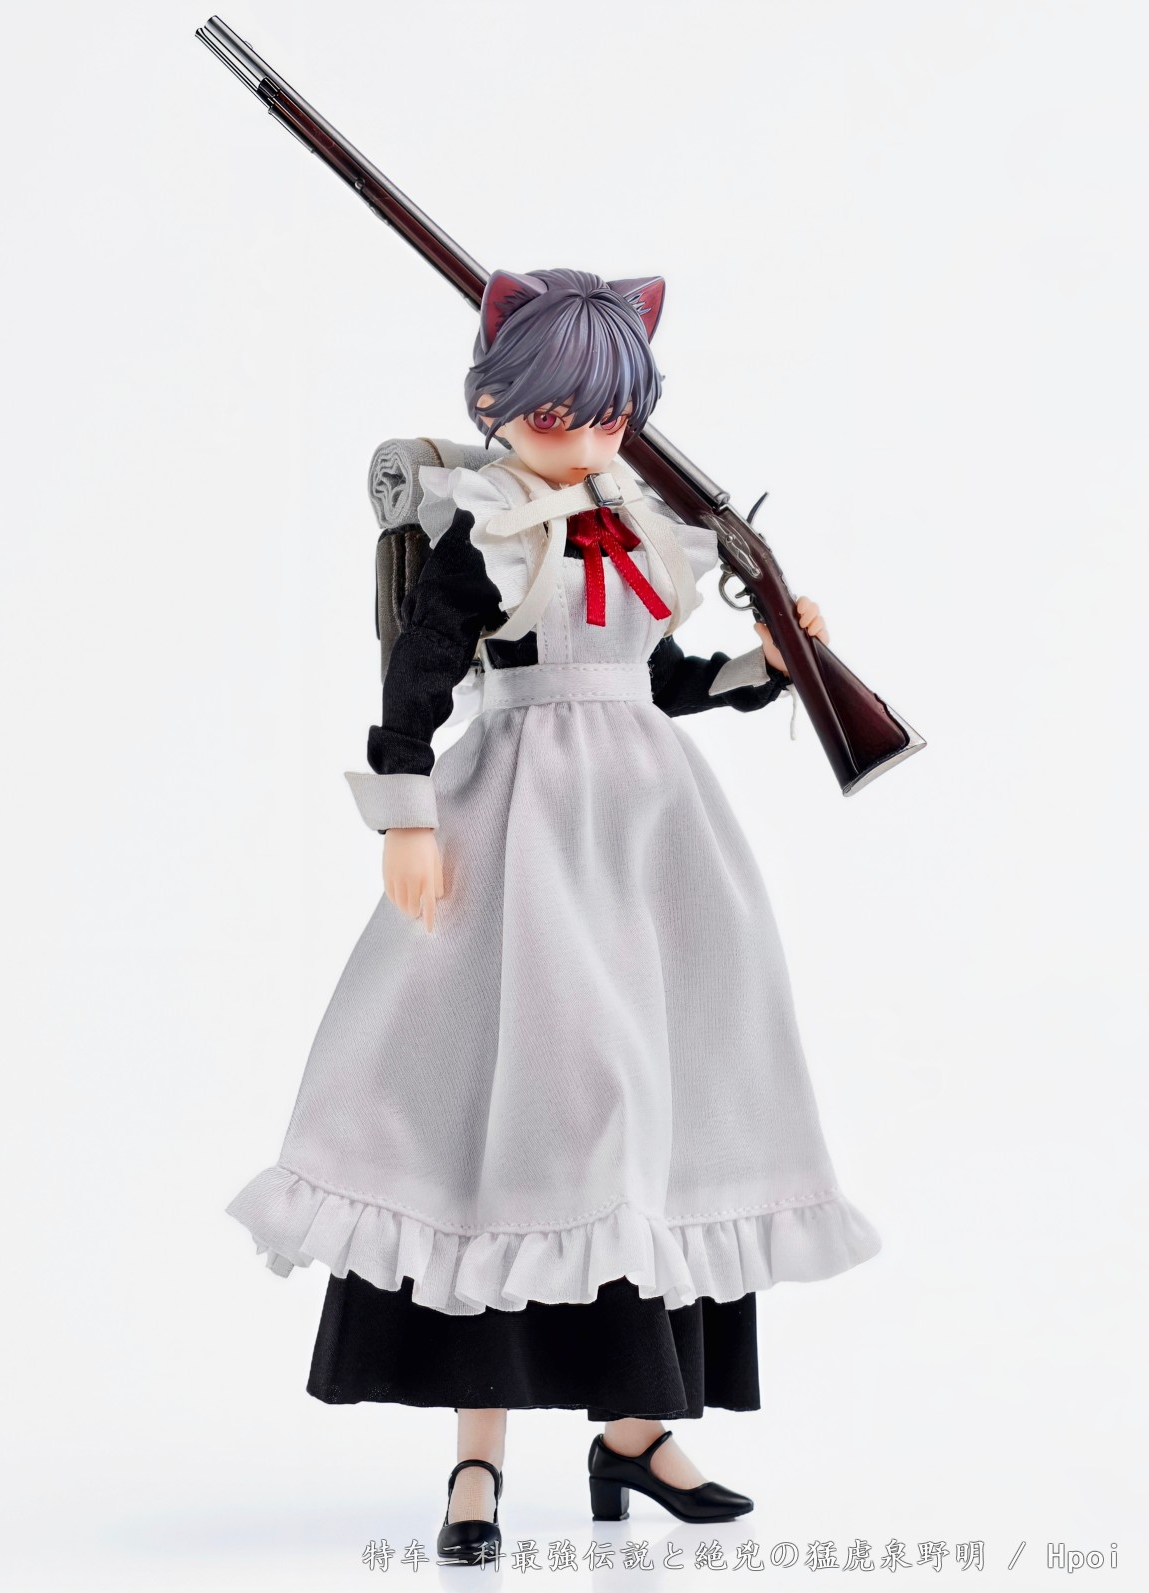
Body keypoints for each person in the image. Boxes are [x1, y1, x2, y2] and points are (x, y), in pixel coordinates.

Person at [225, 267, 882, 1564]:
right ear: (499, 404)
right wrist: (407, 817)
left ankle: (637, 1429)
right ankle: (477, 1460)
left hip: (651, 837)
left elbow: (657, 678)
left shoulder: (642, 526)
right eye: (553, 412)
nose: (583, 438)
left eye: (608, 416)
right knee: (517, 1131)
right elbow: (417, 680)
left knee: (655, 1119)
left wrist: (771, 664)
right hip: (523, 829)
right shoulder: (484, 528)